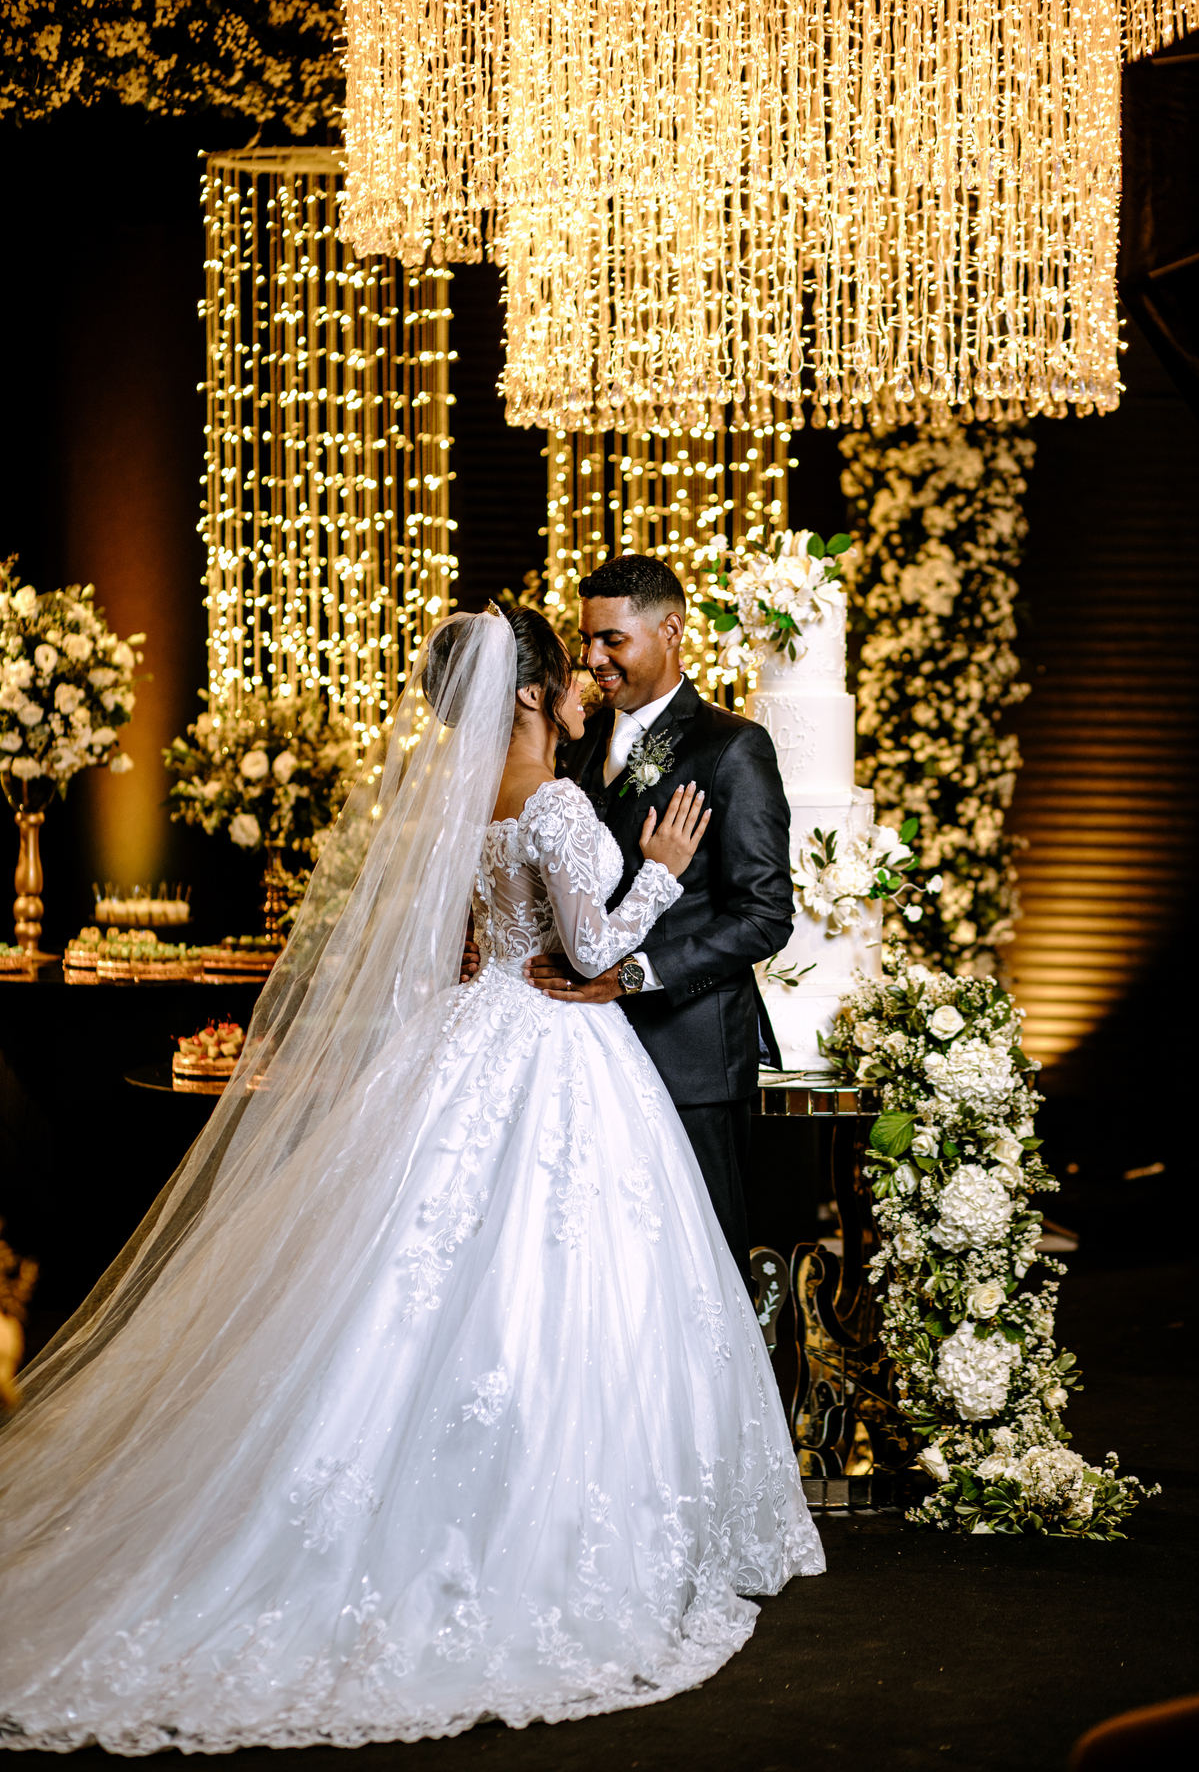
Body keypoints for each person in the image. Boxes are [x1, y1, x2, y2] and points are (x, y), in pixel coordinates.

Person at [0, 607, 821, 1754]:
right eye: (567, 668)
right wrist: (665, 875)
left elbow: (492, 932)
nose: (584, 684)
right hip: (557, 1045)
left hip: (479, 1034)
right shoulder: (554, 801)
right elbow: (591, 951)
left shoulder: (473, 799)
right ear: (530, 692)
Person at [523, 555, 796, 1294]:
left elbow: (765, 916)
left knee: (703, 1279)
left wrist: (632, 975)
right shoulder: (574, 742)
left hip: (689, 1057)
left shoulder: (732, 747)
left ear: (671, 630)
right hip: (581, 1057)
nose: (592, 659)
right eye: (587, 640)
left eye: (612, 640)